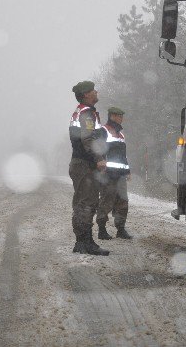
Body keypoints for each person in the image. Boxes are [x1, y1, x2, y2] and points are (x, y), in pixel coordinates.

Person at [69, 81, 110, 256]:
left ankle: (82, 242)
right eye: (93, 91)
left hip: (81, 163)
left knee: (83, 202)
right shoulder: (86, 113)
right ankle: (86, 242)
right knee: (87, 203)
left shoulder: (83, 111)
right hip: (84, 164)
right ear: (86, 95)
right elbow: (88, 139)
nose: (96, 92)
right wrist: (99, 159)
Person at [96, 107, 133, 240]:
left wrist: (127, 171)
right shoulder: (104, 130)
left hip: (121, 174)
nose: (121, 118)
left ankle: (120, 229)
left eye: (121, 116)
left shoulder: (121, 135)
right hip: (107, 174)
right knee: (107, 200)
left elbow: (124, 155)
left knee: (123, 202)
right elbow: (98, 148)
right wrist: (100, 162)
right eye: (119, 116)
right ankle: (101, 230)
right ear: (112, 116)